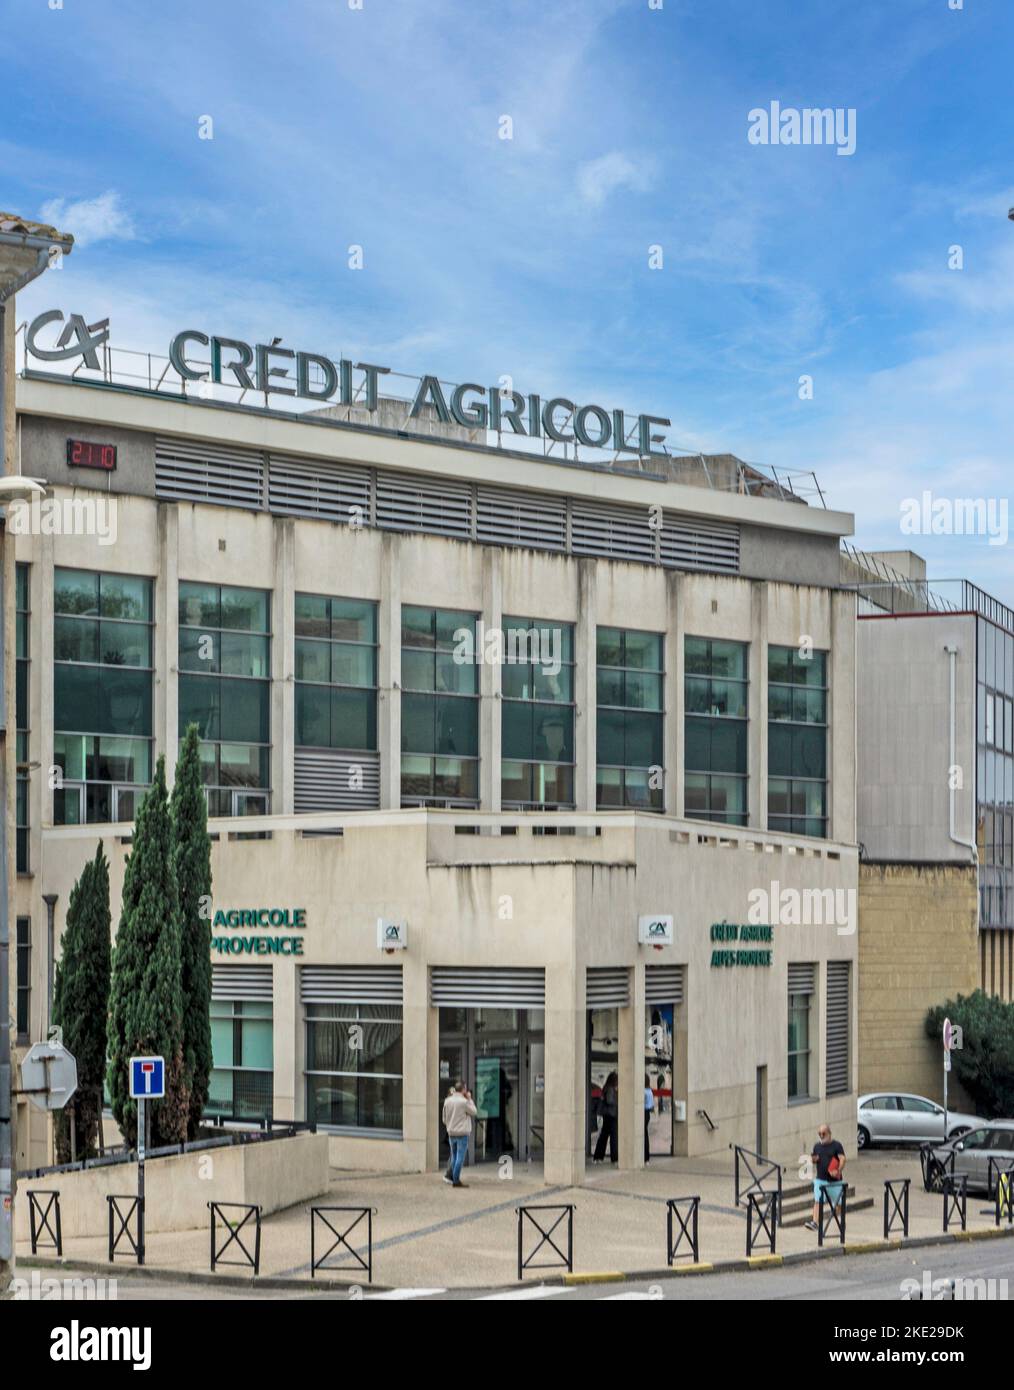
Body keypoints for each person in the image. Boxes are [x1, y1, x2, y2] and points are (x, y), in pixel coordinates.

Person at [806, 1123, 846, 1231]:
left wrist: (838, 1170)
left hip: (835, 1181)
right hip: (820, 1180)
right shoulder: (817, 1146)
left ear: (829, 1133)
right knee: (818, 1200)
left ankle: (837, 1220)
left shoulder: (836, 1145)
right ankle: (815, 1223)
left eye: (823, 1133)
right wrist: (813, 1159)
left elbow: (842, 1158)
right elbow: (814, 1159)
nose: (821, 1135)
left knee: (839, 1205)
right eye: (819, 1133)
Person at [442, 1081, 477, 1188]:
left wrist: (450, 1125)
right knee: (459, 1158)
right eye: (465, 1089)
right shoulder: (464, 1102)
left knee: (454, 1156)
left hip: (451, 1133)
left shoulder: (447, 1101)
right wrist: (470, 1099)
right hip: (462, 1133)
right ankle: (456, 1180)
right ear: (463, 1089)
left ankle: (453, 1177)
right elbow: (474, 1112)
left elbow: (444, 1118)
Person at [593, 1071, 619, 1164]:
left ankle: (598, 1156)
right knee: (613, 1137)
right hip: (612, 1115)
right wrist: (618, 1101)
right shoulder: (611, 1089)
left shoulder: (606, 1087)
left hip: (607, 1115)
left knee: (604, 1136)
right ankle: (615, 1157)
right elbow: (609, 1100)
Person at [644, 1074, 655, 1162]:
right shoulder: (650, 1091)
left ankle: (645, 1156)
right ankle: (646, 1156)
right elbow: (651, 1106)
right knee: (645, 1134)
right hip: (647, 1114)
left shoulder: (643, 1091)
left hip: (643, 1113)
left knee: (643, 1135)